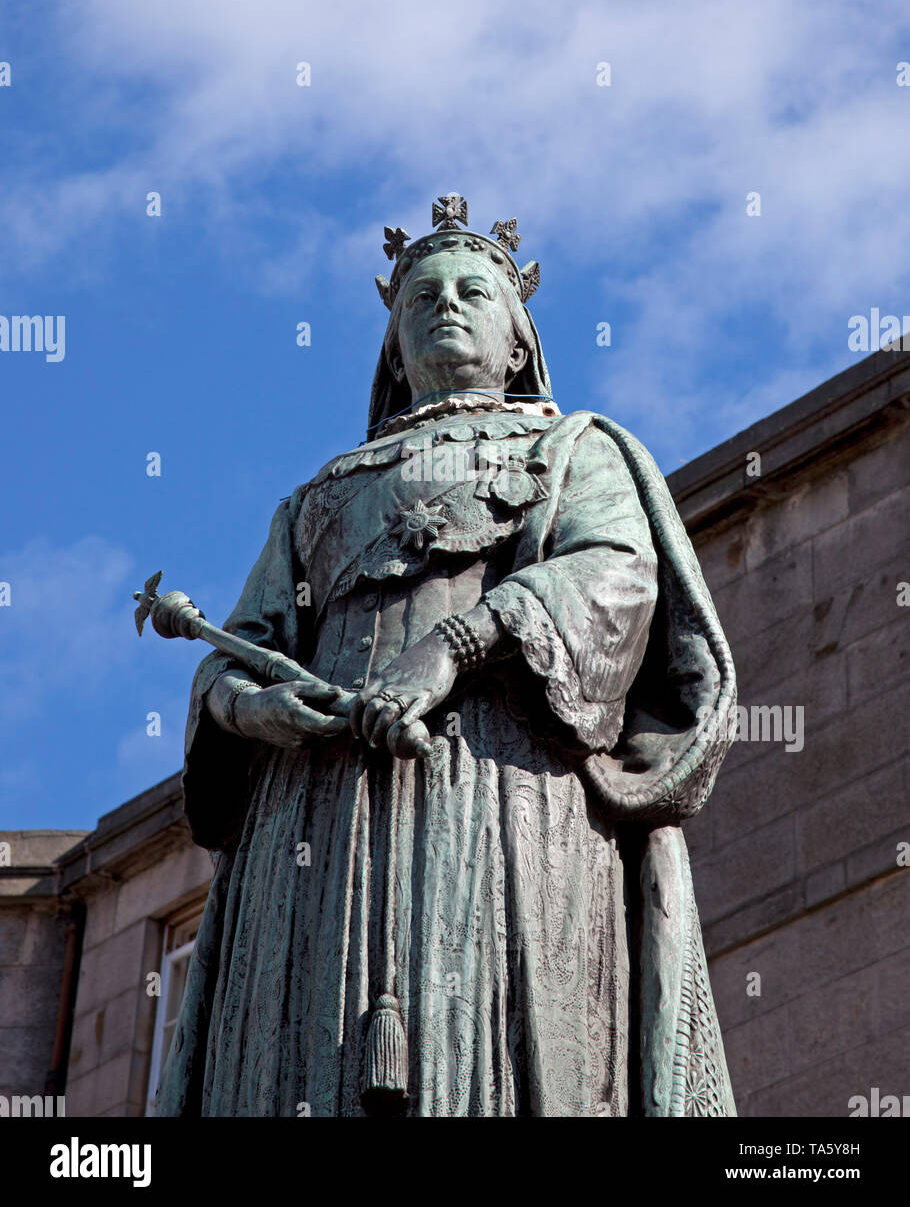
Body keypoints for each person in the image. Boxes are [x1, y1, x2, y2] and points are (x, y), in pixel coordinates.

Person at [155, 194, 737, 1117]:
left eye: (473, 291)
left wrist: (454, 647)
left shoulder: (576, 450)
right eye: (420, 298)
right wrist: (250, 707)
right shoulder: (315, 500)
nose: (447, 306)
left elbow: (618, 578)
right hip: (315, 821)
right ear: (393, 347)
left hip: (505, 791)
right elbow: (241, 652)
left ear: (518, 341)